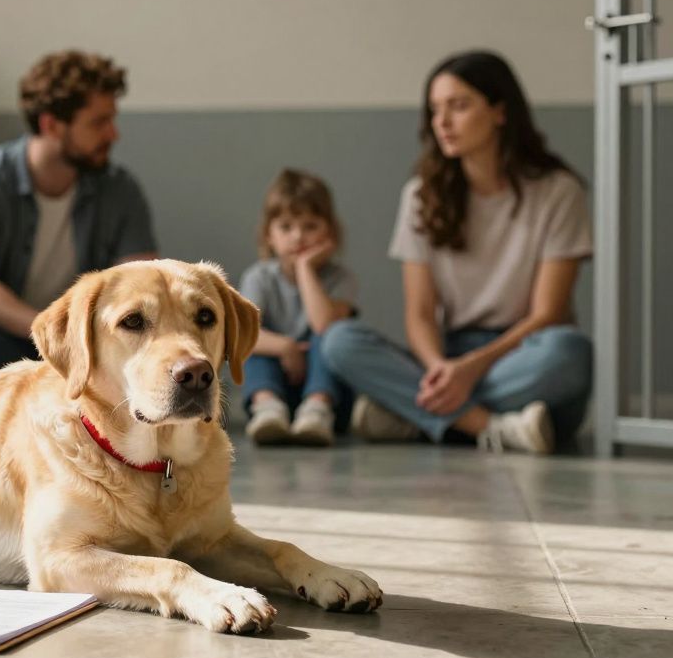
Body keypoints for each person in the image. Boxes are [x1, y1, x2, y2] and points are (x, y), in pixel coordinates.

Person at [322, 50, 593, 454]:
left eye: (459, 106)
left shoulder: (558, 191)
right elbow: (419, 315)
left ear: (500, 111)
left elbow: (548, 314)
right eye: (435, 110)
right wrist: (440, 369)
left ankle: (412, 416)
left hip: (522, 357)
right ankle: (489, 426)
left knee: (569, 353)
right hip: (448, 356)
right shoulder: (420, 195)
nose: (442, 123)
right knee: (339, 341)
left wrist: (471, 371)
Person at [0, 50, 159, 368]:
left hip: (88, 348)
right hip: (9, 337)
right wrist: (49, 330)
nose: (112, 134)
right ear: (51, 125)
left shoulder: (119, 189)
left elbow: (142, 284)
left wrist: (82, 339)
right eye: (99, 122)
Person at [240, 169, 357, 446]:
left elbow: (323, 325)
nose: (298, 237)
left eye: (310, 226)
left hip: (328, 395)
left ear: (329, 232)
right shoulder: (259, 277)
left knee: (330, 337)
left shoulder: (342, 279)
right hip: (277, 382)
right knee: (255, 342)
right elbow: (243, 333)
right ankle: (267, 408)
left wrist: (305, 268)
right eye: (286, 226)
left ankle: (317, 410)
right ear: (269, 235)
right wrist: (285, 347)